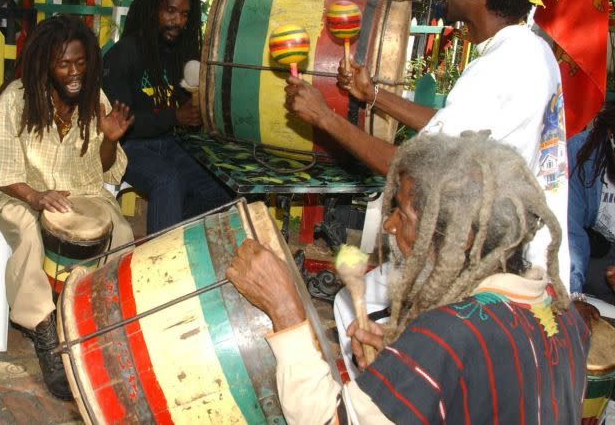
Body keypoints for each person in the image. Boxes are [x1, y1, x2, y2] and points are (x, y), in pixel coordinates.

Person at [228, 132, 586, 423]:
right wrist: (406, 367)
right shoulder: (562, 310)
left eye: (402, 213)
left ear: (462, 238)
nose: (388, 224)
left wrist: (286, 312)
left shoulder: (448, 336)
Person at [288, 0, 570, 286]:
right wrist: (373, 95)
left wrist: (324, 117)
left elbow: (413, 169)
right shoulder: (531, 51)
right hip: (520, 255)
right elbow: (455, 125)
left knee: (353, 305)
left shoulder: (500, 68)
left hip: (502, 269)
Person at [0, 14, 134, 400]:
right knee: (29, 234)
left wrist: (110, 138)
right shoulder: (18, 97)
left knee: (125, 232)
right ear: (45, 63)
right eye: (64, 64)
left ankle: (101, 318)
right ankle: (44, 329)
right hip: (22, 194)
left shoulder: (95, 97)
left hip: (84, 191)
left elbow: (106, 169)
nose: (74, 71)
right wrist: (35, 196)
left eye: (80, 62)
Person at [102, 0, 232, 234]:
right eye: (171, 11)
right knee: (168, 181)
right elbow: (121, 124)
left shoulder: (179, 52)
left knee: (222, 188)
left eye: (184, 15)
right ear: (152, 10)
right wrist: (174, 117)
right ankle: (158, 261)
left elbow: (185, 108)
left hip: (170, 143)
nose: (178, 21)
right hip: (128, 148)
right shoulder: (123, 54)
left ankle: (173, 236)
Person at [569, 103, 615, 304]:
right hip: (593, 252)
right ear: (610, 134)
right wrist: (573, 294)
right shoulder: (580, 153)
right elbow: (570, 230)